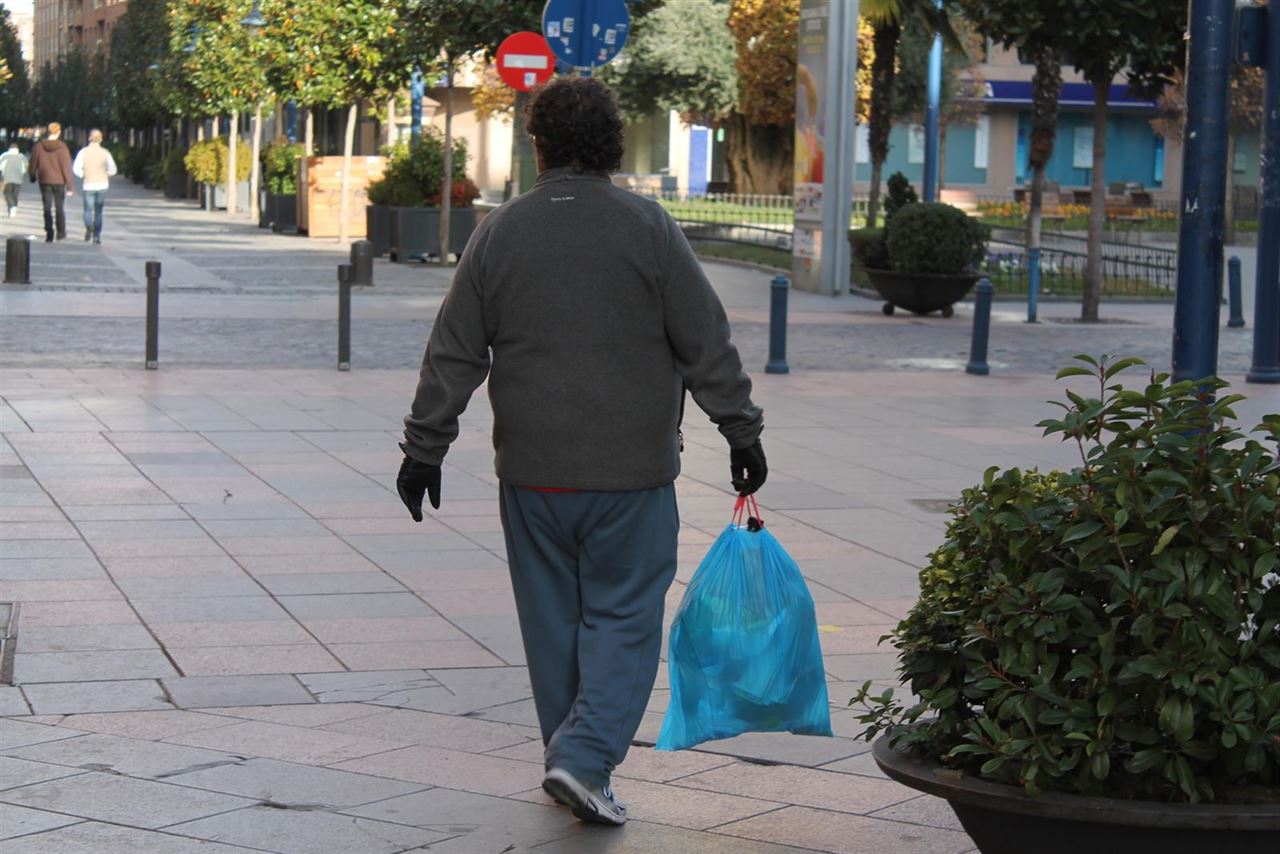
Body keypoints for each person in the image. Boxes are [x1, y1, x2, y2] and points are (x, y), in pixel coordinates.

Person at [395, 77, 767, 827]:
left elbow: (454, 353)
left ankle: (571, 759)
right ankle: (585, 756)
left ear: (539, 147)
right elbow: (705, 341)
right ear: (610, 144)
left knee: (551, 623)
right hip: (630, 475)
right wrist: (741, 429)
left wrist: (423, 449)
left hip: (531, 476)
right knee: (623, 617)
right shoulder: (648, 227)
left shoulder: (500, 233)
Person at [29, 123, 74, 242]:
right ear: (59, 132)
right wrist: (69, 186)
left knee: (47, 207)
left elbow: (33, 163)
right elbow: (66, 167)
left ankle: (49, 232)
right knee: (59, 207)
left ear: (47, 132)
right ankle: (61, 232)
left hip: (44, 180)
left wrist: (32, 176)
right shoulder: (63, 147)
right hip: (59, 181)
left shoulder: (39, 146)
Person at [72, 129, 118, 244]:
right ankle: (96, 236)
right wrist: (105, 174)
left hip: (88, 185)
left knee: (87, 210)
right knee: (98, 212)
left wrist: (83, 175)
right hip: (102, 184)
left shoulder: (83, 152)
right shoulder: (105, 152)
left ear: (89, 138)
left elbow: (76, 168)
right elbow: (113, 169)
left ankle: (89, 226)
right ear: (101, 139)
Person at [0, 142, 28, 217]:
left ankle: (12, 207)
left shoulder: (4, 156)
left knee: (7, 193)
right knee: (15, 194)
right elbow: (25, 167)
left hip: (7, 178)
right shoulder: (22, 156)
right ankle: (14, 206)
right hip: (18, 178)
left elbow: (1, 166)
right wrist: (22, 173)